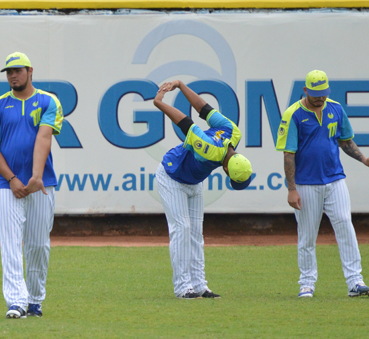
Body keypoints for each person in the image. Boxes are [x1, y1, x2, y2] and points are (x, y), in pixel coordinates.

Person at [0, 52, 63, 318]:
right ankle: (17, 301)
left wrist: (35, 177)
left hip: (41, 183)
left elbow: (44, 138)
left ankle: (35, 300)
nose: (12, 76)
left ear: (30, 71)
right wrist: (12, 179)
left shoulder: (49, 101)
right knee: (10, 243)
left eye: (17, 70)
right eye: (8, 72)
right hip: (7, 185)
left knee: (38, 245)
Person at [153, 80, 253, 299]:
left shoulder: (233, 133)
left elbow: (204, 109)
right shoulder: (210, 150)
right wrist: (159, 103)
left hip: (193, 180)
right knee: (182, 228)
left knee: (196, 232)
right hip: (171, 176)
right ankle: (182, 288)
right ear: (227, 168)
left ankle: (199, 285)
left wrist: (180, 84)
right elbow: (185, 122)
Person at [276, 70, 369, 298]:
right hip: (306, 184)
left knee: (345, 225)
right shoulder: (293, 114)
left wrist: (364, 158)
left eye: (324, 93)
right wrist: (292, 189)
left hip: (335, 179)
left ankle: (355, 282)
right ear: (306, 90)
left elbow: (345, 141)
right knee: (307, 235)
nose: (320, 98)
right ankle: (307, 283)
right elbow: (289, 154)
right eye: (316, 94)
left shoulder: (335, 108)